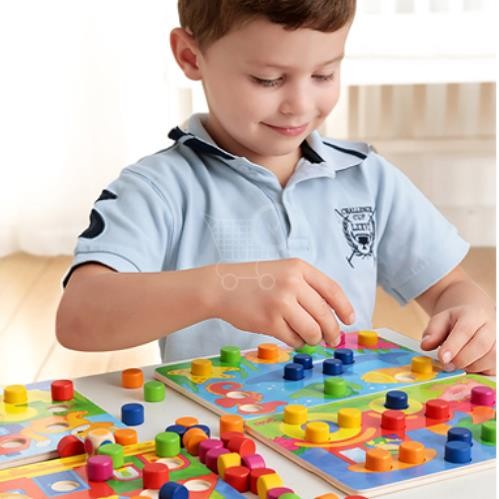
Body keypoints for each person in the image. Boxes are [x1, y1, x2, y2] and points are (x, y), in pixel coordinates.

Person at [56, 0, 496, 375]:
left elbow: (449, 288)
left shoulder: (368, 177)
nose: (300, 105)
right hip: (213, 435)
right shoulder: (158, 188)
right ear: (191, 57)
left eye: (324, 74)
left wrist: (470, 315)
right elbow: (78, 316)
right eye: (268, 80)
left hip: (347, 427)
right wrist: (222, 288)